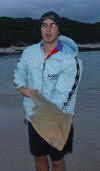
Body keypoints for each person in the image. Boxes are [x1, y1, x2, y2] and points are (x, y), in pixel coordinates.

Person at [13, 11, 82, 171]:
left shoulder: (71, 59)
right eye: (44, 25)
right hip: (34, 117)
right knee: (39, 156)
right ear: (40, 29)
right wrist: (22, 88)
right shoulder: (29, 52)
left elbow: (65, 94)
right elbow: (19, 72)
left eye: (53, 25)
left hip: (58, 119)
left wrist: (46, 113)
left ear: (59, 30)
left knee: (57, 160)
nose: (48, 30)